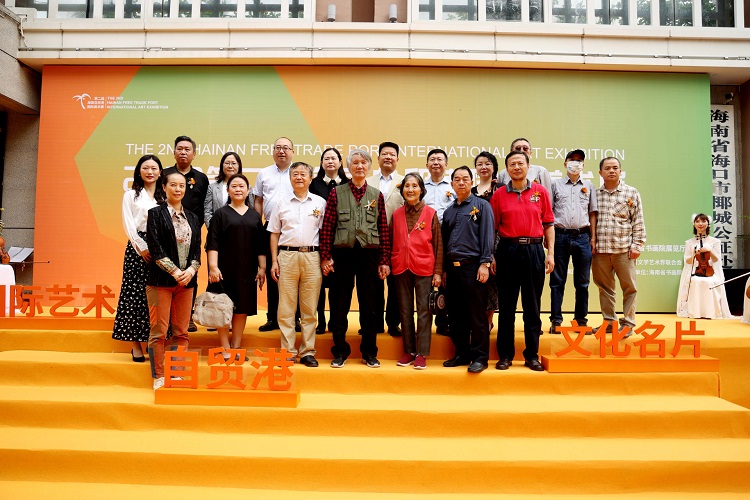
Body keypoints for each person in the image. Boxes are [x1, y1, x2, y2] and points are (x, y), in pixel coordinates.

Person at [320, 148, 391, 368]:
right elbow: (328, 227)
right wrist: (326, 256)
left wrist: (384, 260)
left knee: (370, 305)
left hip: (369, 255)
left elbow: (383, 229)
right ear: (348, 167)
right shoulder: (336, 193)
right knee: (339, 303)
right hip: (342, 254)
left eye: (363, 163)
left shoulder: (376, 195)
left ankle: (369, 352)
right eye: (355, 163)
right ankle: (340, 351)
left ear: (369, 167)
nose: (359, 166)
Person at [491, 150, 555, 372]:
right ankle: (505, 355)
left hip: (534, 250)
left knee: (532, 306)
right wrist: (491, 255)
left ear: (528, 166)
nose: (517, 167)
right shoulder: (499, 195)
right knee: (506, 307)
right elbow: (492, 229)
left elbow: (549, 224)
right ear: (506, 169)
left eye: (520, 163)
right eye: (512, 164)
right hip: (507, 251)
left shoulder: (540, 192)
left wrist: (551, 253)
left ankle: (531, 355)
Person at [146, 171, 201, 391]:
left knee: (181, 332)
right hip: (160, 282)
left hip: (186, 284)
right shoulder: (155, 214)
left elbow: (197, 250)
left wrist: (191, 270)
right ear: (164, 187)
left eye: (182, 185)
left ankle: (176, 373)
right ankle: (158, 375)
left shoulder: (193, 218)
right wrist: (176, 272)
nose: (178, 189)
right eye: (173, 185)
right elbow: (155, 248)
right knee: (158, 332)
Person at [269, 162, 327, 367]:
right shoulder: (280, 203)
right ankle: (287, 352)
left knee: (309, 309)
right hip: (287, 256)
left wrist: (325, 258)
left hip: (312, 257)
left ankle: (308, 352)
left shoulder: (320, 203)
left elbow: (325, 233)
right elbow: (274, 233)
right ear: (290, 178)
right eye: (295, 174)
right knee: (286, 308)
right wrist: (274, 260)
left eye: (303, 174)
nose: (299, 177)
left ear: (311, 178)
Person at [206, 173, 266, 361]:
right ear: (228, 190)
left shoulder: (254, 216)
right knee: (222, 308)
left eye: (242, 186)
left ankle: (236, 347)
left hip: (247, 270)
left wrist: (262, 268)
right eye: (234, 186)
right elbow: (212, 243)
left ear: (248, 191)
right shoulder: (220, 214)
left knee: (241, 309)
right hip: (223, 270)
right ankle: (225, 348)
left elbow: (260, 245)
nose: (238, 189)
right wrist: (213, 267)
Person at [112, 154, 165, 362]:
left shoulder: (165, 195)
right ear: (139, 171)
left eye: (154, 168)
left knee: (158, 297)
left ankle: (155, 343)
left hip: (161, 247)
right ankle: (135, 345)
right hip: (138, 249)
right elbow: (129, 224)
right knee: (134, 296)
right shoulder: (131, 195)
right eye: (145, 168)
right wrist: (141, 247)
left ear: (160, 171)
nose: (150, 172)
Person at [442, 166, 494, 373]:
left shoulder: (482, 206)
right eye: (457, 179)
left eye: (465, 179)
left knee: (477, 315)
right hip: (452, 269)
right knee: (455, 314)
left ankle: (480, 357)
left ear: (472, 182)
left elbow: (488, 236)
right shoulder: (449, 211)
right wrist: (444, 270)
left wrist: (485, 263)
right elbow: (444, 242)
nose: (461, 182)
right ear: (452, 184)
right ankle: (462, 353)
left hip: (473, 267)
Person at [391, 173, 443, 370]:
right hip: (401, 267)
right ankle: (409, 351)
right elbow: (390, 240)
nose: (410, 189)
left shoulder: (430, 213)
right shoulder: (396, 214)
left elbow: (438, 244)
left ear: (421, 190)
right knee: (404, 310)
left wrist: (437, 272)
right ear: (402, 190)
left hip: (424, 268)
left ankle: (421, 353)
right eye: (407, 186)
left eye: (414, 186)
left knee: (423, 311)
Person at [592, 157, 646, 336]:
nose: (611, 171)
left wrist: (637, 245)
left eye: (615, 168)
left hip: (624, 250)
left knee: (629, 288)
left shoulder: (631, 192)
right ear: (600, 172)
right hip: (600, 250)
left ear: (620, 171)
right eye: (607, 168)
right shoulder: (595, 194)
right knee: (604, 288)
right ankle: (609, 322)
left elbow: (638, 220)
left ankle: (628, 323)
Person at [162, 135, 209, 333]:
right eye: (179, 148)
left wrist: (195, 229)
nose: (183, 152)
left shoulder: (201, 178)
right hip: (166, 231)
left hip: (191, 233)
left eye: (187, 149)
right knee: (166, 272)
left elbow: (205, 207)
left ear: (194, 154)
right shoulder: (164, 174)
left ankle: (187, 316)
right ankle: (166, 317)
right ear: (174, 152)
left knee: (191, 272)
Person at [548, 149, 598, 334]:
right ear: (565, 164)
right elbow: (549, 213)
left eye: (579, 160)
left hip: (582, 237)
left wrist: (593, 237)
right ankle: (556, 320)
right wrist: (548, 239)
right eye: (572, 160)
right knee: (557, 281)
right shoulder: (555, 185)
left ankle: (580, 321)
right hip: (560, 235)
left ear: (583, 165)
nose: (575, 163)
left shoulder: (589, 186)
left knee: (583, 282)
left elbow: (592, 213)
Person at [254, 137, 295, 333]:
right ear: (273, 151)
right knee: (273, 273)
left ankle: (293, 318)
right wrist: (257, 222)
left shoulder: (298, 171)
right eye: (278, 147)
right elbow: (258, 200)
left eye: (286, 148)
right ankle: (272, 318)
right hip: (269, 227)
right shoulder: (264, 173)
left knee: (292, 275)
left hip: (292, 228)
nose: (281, 151)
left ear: (292, 152)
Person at [309, 147, 349, 335]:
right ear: (321, 163)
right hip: (318, 239)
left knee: (337, 286)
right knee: (318, 284)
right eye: (326, 158)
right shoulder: (313, 184)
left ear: (340, 162)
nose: (330, 161)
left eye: (334, 158)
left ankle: (335, 320)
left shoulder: (348, 184)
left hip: (341, 241)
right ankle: (320, 321)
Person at [367, 141, 404, 337]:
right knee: (373, 284)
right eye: (384, 154)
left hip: (398, 240)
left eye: (392, 154)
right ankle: (375, 323)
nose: (388, 157)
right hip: (372, 240)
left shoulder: (405, 182)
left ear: (397, 159)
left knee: (395, 285)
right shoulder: (367, 181)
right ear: (378, 158)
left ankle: (393, 323)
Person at [423, 148, 455, 336]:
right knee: (425, 280)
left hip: (448, 236)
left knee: (445, 280)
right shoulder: (420, 186)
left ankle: (443, 322)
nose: (436, 162)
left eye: (440, 159)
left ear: (446, 164)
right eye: (432, 159)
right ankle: (424, 322)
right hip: (425, 237)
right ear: (427, 165)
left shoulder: (453, 186)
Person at [676, 213, 731, 319]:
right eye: (697, 221)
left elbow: (716, 259)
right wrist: (694, 254)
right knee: (696, 281)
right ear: (694, 224)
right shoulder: (689, 242)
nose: (700, 224)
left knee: (710, 282)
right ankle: (695, 312)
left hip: (711, 272)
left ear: (708, 224)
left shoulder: (715, 241)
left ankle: (711, 313)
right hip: (695, 271)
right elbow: (687, 261)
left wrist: (710, 250)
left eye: (703, 221)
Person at [471, 151, 500, 331]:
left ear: (494, 167)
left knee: (492, 285)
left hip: (496, 242)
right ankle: (477, 322)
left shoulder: (501, 189)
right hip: (475, 243)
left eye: (487, 163)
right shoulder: (471, 192)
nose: (483, 167)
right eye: (480, 164)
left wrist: (491, 253)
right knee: (477, 284)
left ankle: (488, 321)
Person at [204, 152, 253, 229]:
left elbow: (251, 209)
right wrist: (213, 229)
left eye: (233, 163)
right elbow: (207, 212)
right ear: (222, 165)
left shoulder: (247, 187)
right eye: (227, 163)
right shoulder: (212, 187)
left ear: (239, 166)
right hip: (218, 230)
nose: (230, 166)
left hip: (242, 229)